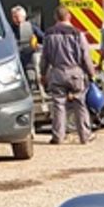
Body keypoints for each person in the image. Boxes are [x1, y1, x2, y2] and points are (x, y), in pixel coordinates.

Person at [40, 8, 94, 145]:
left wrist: (42, 73)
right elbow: (85, 56)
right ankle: (85, 136)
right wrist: (91, 73)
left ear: (55, 17)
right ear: (69, 16)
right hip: (75, 73)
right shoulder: (78, 34)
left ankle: (58, 136)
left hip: (57, 72)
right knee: (80, 104)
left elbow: (44, 57)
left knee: (58, 105)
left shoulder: (49, 34)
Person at [9, 4, 39, 77]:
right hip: (14, 61)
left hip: (28, 60)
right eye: (15, 17)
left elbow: (44, 37)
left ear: (24, 17)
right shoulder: (8, 29)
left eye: (20, 17)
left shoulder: (31, 27)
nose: (18, 19)